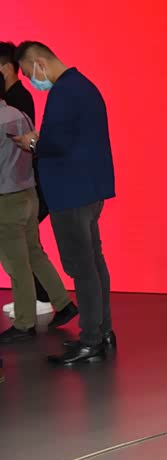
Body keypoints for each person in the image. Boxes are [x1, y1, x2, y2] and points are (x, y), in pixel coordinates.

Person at [12, 41, 116, 365]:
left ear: (40, 63)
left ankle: (90, 340)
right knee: (94, 263)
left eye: (30, 73)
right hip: (89, 190)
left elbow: (56, 143)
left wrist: (32, 143)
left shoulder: (64, 92)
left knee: (82, 268)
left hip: (71, 194)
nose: (33, 81)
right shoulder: (83, 86)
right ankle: (103, 332)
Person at [0, 98, 78, 345]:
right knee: (34, 253)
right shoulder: (20, 114)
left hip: (6, 199)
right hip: (28, 193)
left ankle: (24, 323)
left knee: (17, 263)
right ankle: (63, 303)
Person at [0, 41, 54, 317]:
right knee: (26, 246)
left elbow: (18, 148)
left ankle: (39, 298)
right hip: (20, 185)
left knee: (23, 247)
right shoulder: (17, 98)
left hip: (17, 188)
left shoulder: (16, 100)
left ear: (5, 68)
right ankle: (41, 298)